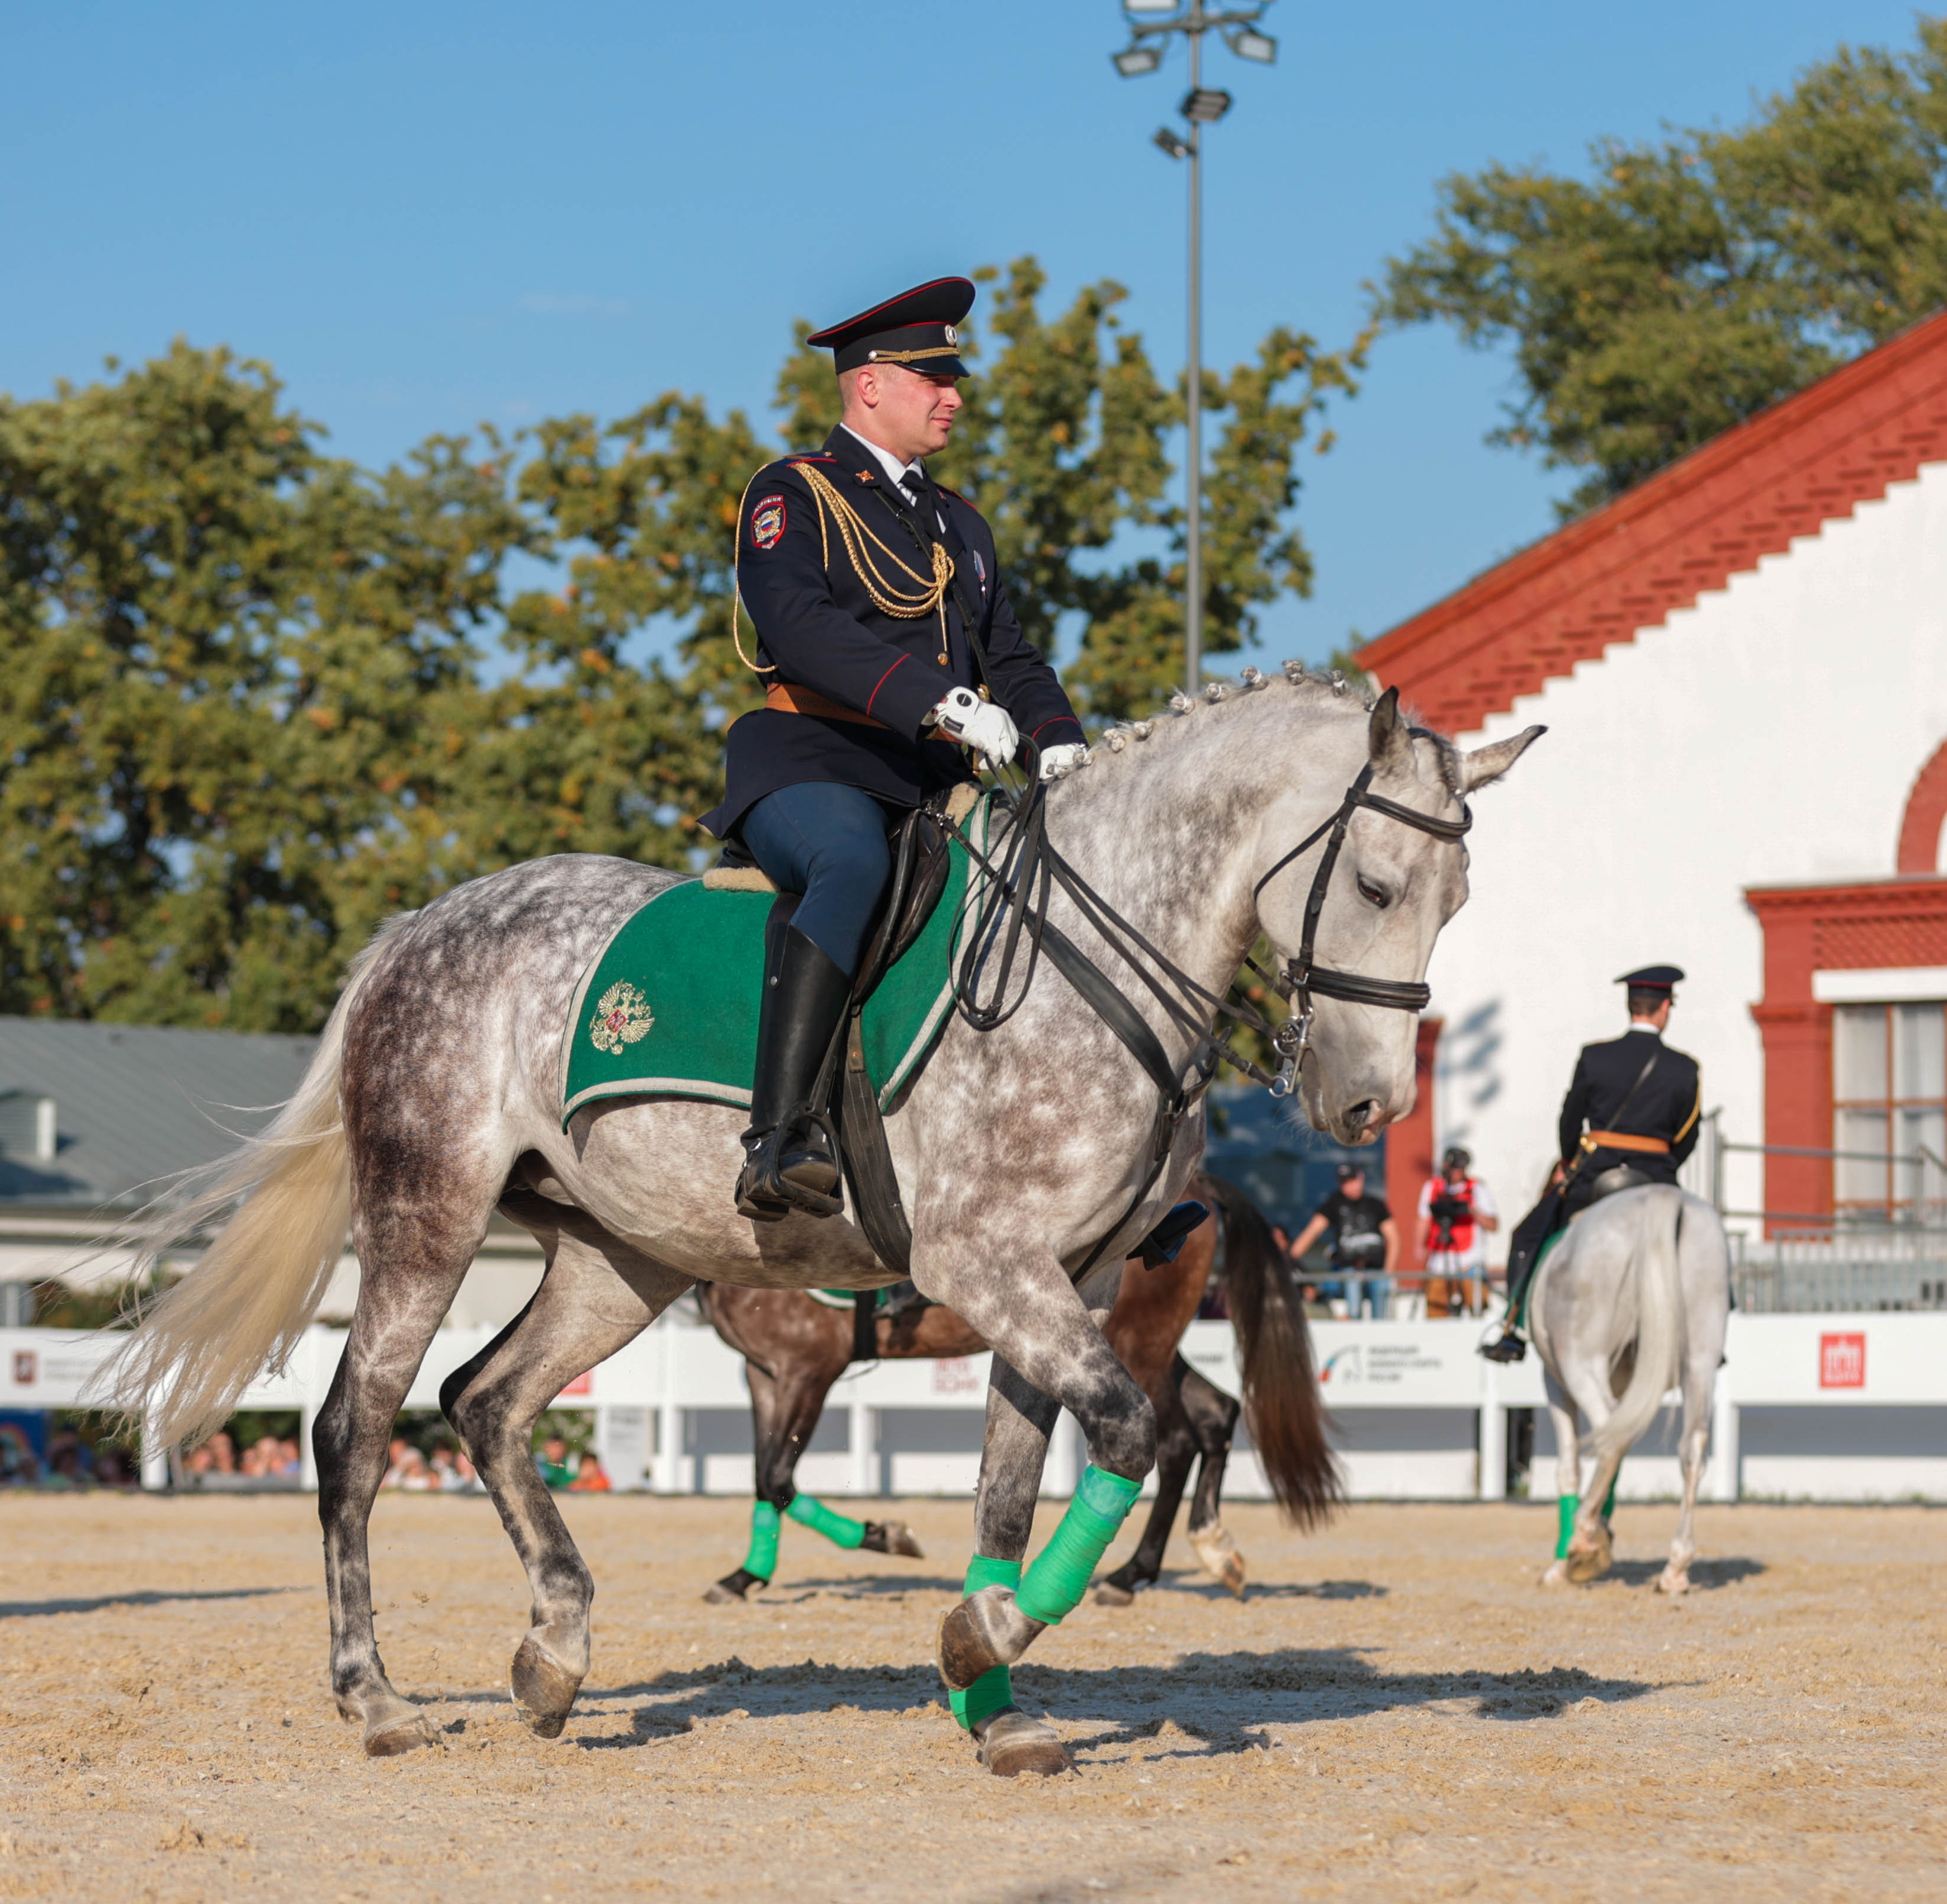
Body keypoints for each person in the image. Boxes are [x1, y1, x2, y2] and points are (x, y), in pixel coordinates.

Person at [701, 277, 1089, 1224]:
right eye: (934, 376)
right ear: (869, 384)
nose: (954, 393)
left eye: (954, 375)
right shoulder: (795, 493)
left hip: (932, 780)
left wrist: (1062, 742)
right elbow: (798, 627)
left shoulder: (962, 523)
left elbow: (1015, 658)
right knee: (849, 861)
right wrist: (943, 703)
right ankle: (779, 1135)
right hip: (813, 761)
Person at [1483, 964, 1704, 1362]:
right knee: (1702, 1237)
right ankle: (1710, 1333)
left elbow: (1570, 1119)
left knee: (1527, 1237)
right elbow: (1689, 1134)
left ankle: (1513, 1327)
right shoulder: (1686, 1068)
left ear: (1630, 1006)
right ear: (1665, 1008)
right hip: (1657, 1178)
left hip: (1596, 1176)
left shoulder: (1595, 1056)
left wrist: (1570, 1159)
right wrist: (1666, 1164)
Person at [1288, 1163, 1399, 1319]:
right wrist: (1290, 1257)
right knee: (1350, 1283)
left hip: (1376, 1269)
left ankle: (1378, 1334)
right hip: (1348, 1270)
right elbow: (1312, 1231)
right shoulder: (1334, 1203)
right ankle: (1354, 1329)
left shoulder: (1376, 1205)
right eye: (1344, 1183)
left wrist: (1388, 1272)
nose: (1349, 1186)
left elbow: (1393, 1239)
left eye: (1352, 1180)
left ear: (1361, 1178)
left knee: (1380, 1289)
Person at [1418, 1146, 1498, 1316]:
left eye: (1461, 1169)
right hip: (1439, 1260)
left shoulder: (1477, 1188)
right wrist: (1420, 1247)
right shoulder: (1432, 1187)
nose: (1457, 1173)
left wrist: (1471, 1211)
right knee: (1436, 1308)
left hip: (1470, 1261)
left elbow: (1493, 1225)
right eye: (1454, 1168)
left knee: (1478, 1308)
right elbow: (1423, 1220)